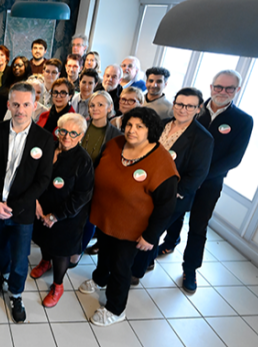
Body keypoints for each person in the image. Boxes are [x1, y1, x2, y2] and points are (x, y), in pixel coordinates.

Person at [82, 107, 179, 326]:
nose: (131, 130)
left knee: (120, 267)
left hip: (132, 228)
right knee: (104, 253)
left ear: (151, 130)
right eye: (128, 125)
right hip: (106, 218)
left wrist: (151, 236)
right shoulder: (114, 145)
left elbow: (166, 206)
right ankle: (100, 279)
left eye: (139, 126)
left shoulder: (162, 163)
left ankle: (116, 309)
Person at [162, 70, 253, 293]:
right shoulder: (193, 110)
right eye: (218, 87)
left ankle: (190, 268)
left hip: (209, 183)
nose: (223, 92)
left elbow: (234, 158)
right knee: (173, 215)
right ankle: (169, 243)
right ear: (211, 87)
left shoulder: (242, 120)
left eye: (229, 88)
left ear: (237, 90)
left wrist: (201, 176)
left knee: (198, 226)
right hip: (181, 178)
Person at [0, 82, 55, 322]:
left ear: (35, 106)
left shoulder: (44, 139)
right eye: (15, 104)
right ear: (8, 105)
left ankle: (16, 293)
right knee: (0, 247)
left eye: (26, 104)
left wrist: (16, 206)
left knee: (20, 256)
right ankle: (3, 276)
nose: (20, 110)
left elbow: (43, 179)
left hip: (22, 211)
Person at [131, 87, 213, 284]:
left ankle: (135, 273)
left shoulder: (203, 138)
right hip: (146, 188)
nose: (183, 109)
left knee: (150, 233)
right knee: (139, 228)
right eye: (179, 104)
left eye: (189, 106)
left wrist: (172, 194)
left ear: (198, 109)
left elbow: (198, 174)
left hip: (173, 197)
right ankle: (147, 262)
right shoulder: (162, 124)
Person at [30, 113, 94, 307]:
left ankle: (57, 285)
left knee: (60, 251)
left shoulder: (83, 161)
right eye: (63, 131)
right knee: (44, 239)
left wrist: (56, 216)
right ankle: (45, 261)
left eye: (73, 133)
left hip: (67, 217)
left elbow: (82, 196)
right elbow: (33, 175)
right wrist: (35, 201)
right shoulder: (47, 148)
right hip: (42, 208)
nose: (67, 137)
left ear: (81, 136)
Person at [75, 90, 123, 261]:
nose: (95, 108)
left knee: (89, 219)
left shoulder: (116, 136)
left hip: (97, 186)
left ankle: (78, 250)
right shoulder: (80, 126)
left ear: (110, 108)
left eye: (100, 105)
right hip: (75, 180)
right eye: (92, 105)